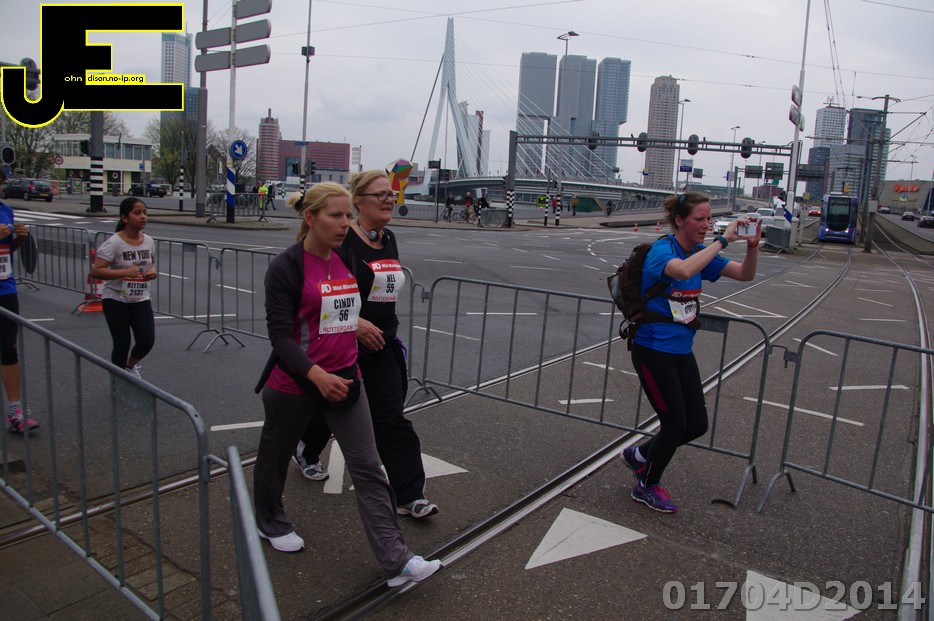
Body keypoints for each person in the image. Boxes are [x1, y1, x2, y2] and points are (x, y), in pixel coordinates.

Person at [253, 182, 441, 587]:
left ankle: (397, 560)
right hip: (297, 383)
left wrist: (359, 338)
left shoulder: (345, 258)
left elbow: (349, 312)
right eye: (335, 216)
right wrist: (316, 375)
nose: (344, 224)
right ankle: (270, 521)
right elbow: (281, 337)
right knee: (274, 457)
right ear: (310, 218)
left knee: (369, 468)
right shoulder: (286, 267)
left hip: (347, 379)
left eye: (346, 216)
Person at [294, 170, 439, 519]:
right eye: (380, 195)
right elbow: (318, 287)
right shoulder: (343, 240)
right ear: (359, 202)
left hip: (382, 345)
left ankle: (409, 495)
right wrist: (355, 323)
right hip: (342, 343)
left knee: (391, 419)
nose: (389, 200)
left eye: (391, 194)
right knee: (332, 405)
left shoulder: (388, 239)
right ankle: (306, 448)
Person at [620, 192, 758, 513]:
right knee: (674, 424)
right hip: (652, 350)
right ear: (680, 220)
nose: (707, 225)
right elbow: (681, 271)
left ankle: (639, 455)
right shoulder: (662, 251)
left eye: (710, 219)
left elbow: (745, 274)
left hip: (681, 351)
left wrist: (752, 247)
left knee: (696, 425)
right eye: (700, 219)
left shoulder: (700, 253)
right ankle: (646, 485)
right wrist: (723, 240)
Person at [90, 197, 158, 379]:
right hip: (115, 300)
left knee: (146, 340)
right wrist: (125, 272)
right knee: (122, 343)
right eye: (137, 213)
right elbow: (96, 271)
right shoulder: (114, 243)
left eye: (145, 213)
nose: (143, 217)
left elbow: (151, 262)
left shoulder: (149, 241)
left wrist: (152, 271)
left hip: (140, 298)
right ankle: (118, 380)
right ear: (125, 218)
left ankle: (129, 366)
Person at [0, 171, 39, 434]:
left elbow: (6, 250)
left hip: (5, 288)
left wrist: (19, 240)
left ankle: (15, 411)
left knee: (9, 348)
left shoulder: (5, 210)